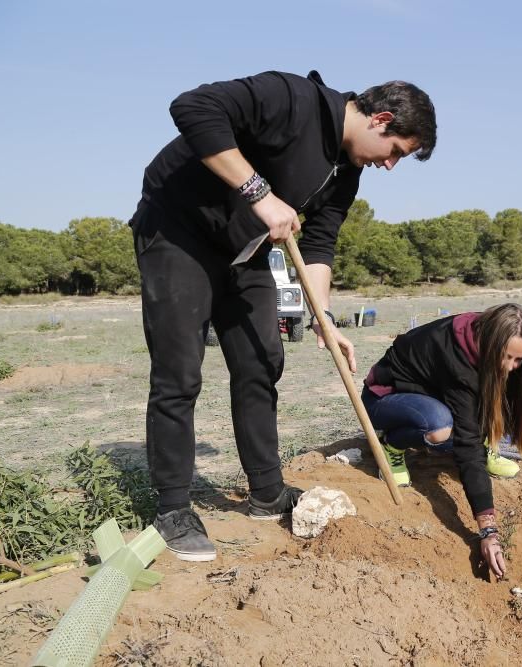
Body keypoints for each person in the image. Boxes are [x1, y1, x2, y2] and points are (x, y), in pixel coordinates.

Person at [129, 70, 437, 561]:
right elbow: (191, 107)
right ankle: (172, 508)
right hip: (177, 235)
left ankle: (267, 493)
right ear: (380, 120)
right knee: (179, 373)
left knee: (261, 363)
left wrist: (325, 318)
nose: (391, 165)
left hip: (242, 252)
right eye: (397, 151)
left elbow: (319, 243)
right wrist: (259, 193)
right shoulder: (290, 99)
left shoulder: (347, 170)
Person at [361, 303, 522, 579]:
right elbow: (466, 443)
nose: (511, 367)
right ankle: (393, 445)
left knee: (468, 413)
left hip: (428, 392)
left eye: (518, 360)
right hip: (384, 401)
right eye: (507, 357)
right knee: (440, 427)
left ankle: (487, 448)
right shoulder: (457, 358)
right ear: (492, 344)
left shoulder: (487, 333)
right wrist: (488, 529)